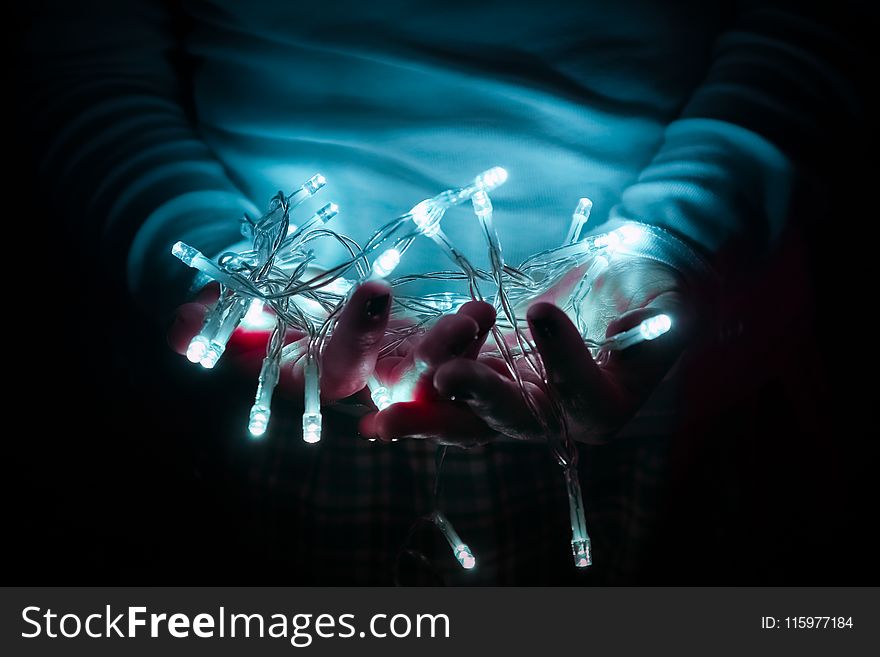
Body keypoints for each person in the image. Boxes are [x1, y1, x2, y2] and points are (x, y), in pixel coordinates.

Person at [23, 0, 865, 583]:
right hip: (270, 389)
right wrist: (212, 262)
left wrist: (671, 242)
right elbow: (76, 50)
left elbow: (806, 31)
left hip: (627, 371)